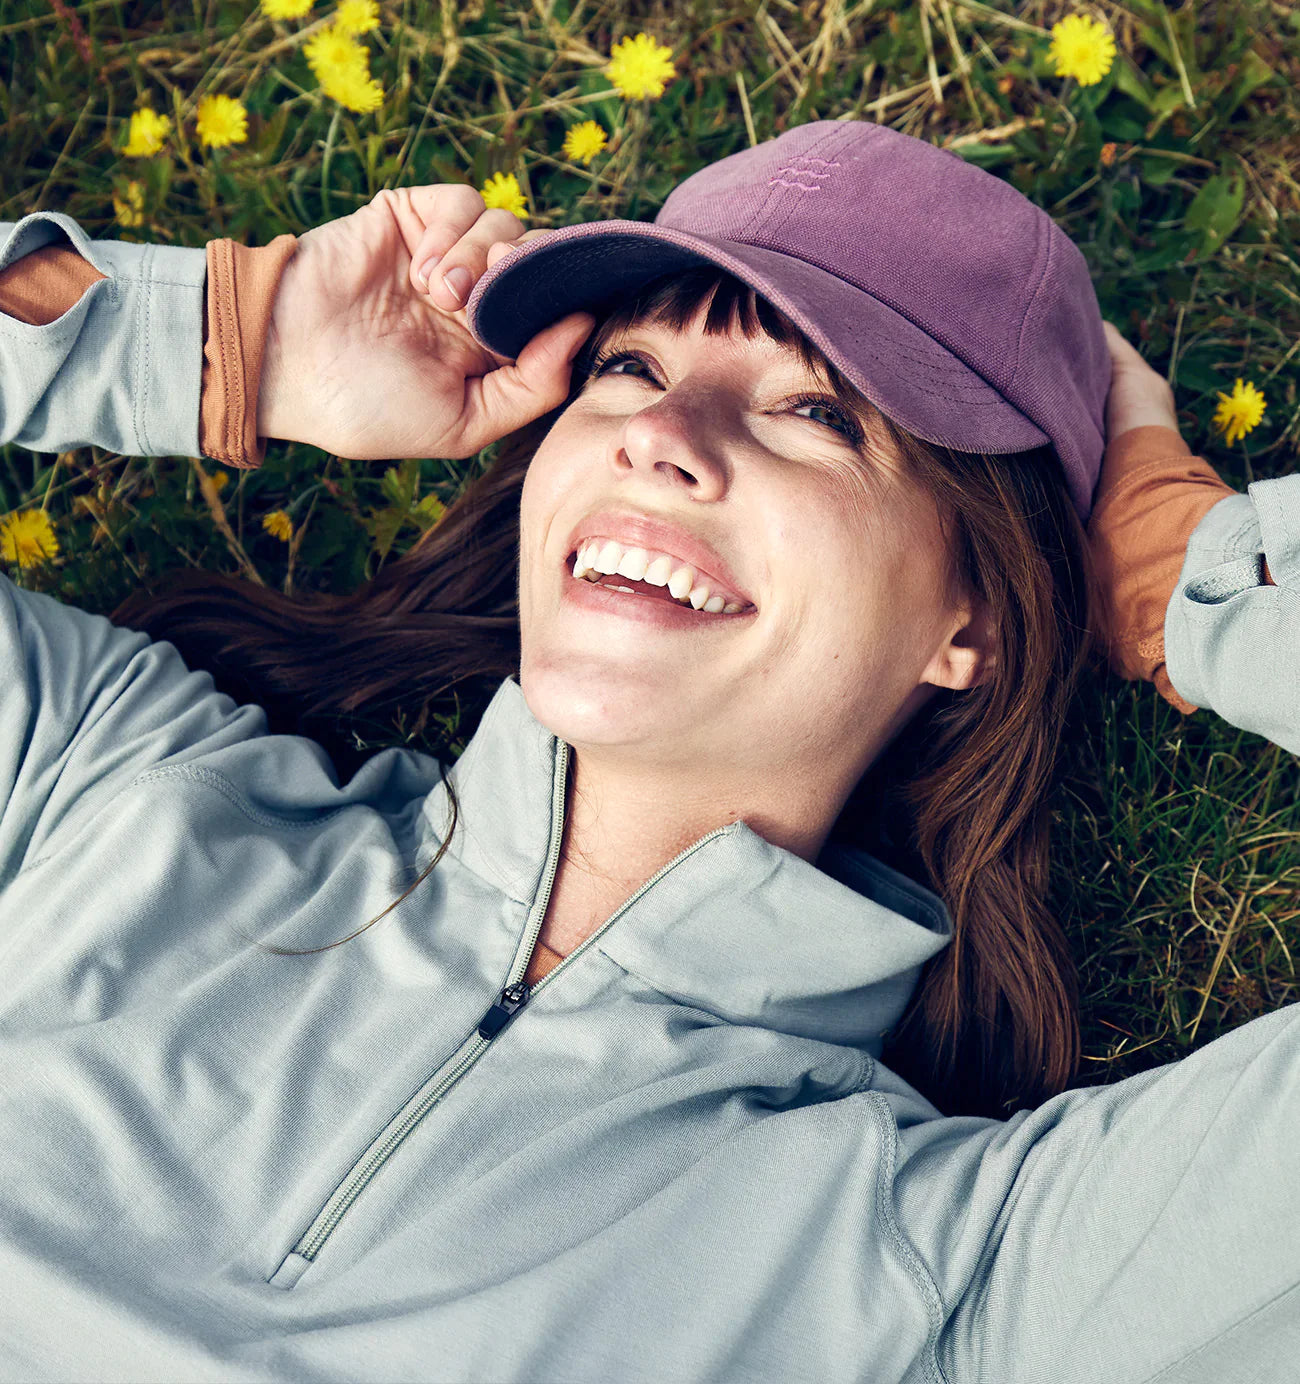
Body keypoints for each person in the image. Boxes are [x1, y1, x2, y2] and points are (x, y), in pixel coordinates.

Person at [0, 119, 1295, 1383]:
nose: (663, 437)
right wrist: (242, 343)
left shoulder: (948, 1275)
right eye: (631, 368)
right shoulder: (106, 776)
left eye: (819, 415)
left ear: (976, 625)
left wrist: (1193, 583)